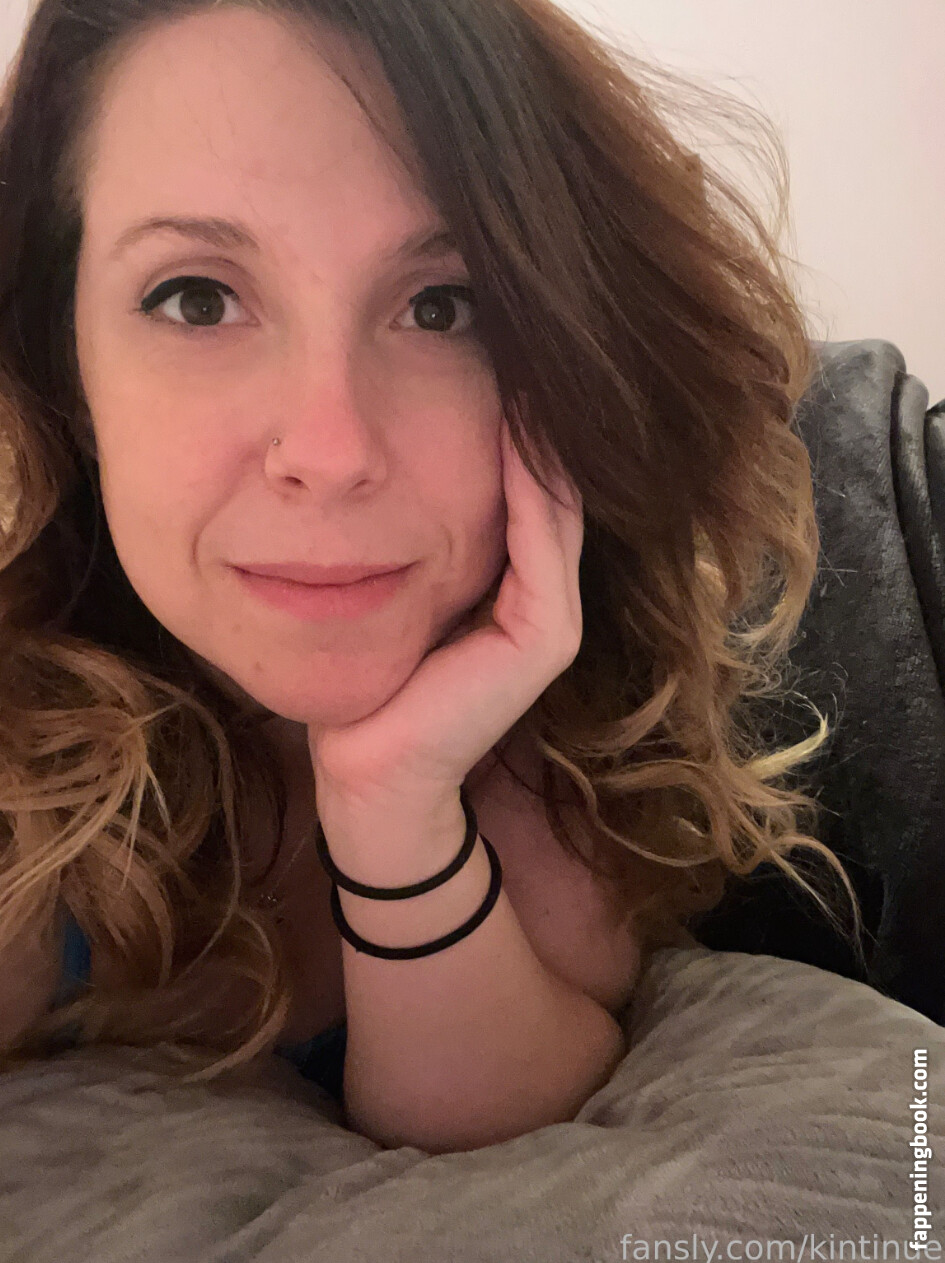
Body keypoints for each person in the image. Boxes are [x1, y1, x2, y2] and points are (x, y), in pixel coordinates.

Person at [0, 0, 860, 1155]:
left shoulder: (576, 766)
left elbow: (488, 1131)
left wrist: (396, 809)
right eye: (196, 298)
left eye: (442, 307)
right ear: (63, 361)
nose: (332, 448)